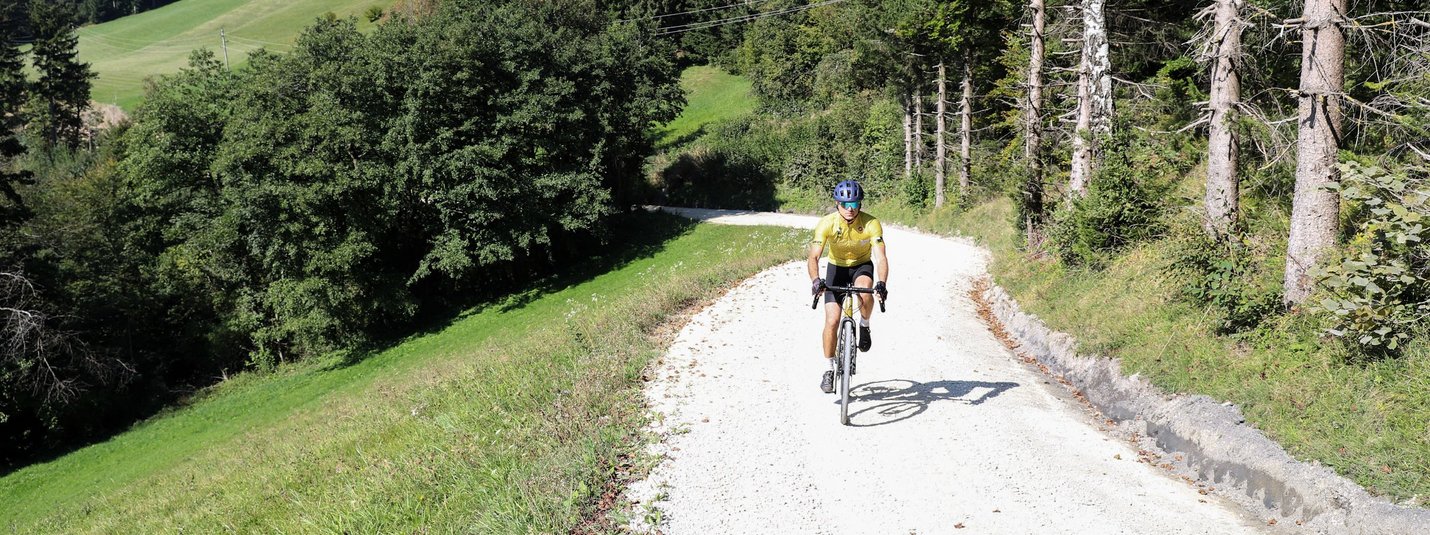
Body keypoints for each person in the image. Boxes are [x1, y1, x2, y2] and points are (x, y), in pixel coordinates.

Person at [808, 179, 888, 393]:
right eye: (845, 205)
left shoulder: (871, 224)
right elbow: (814, 257)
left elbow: (880, 258)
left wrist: (881, 283)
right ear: (837, 204)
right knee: (832, 321)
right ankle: (828, 369)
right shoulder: (827, 223)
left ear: (860, 205)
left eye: (854, 205)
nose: (849, 210)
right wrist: (816, 281)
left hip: (861, 266)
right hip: (836, 269)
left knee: (865, 293)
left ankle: (864, 325)